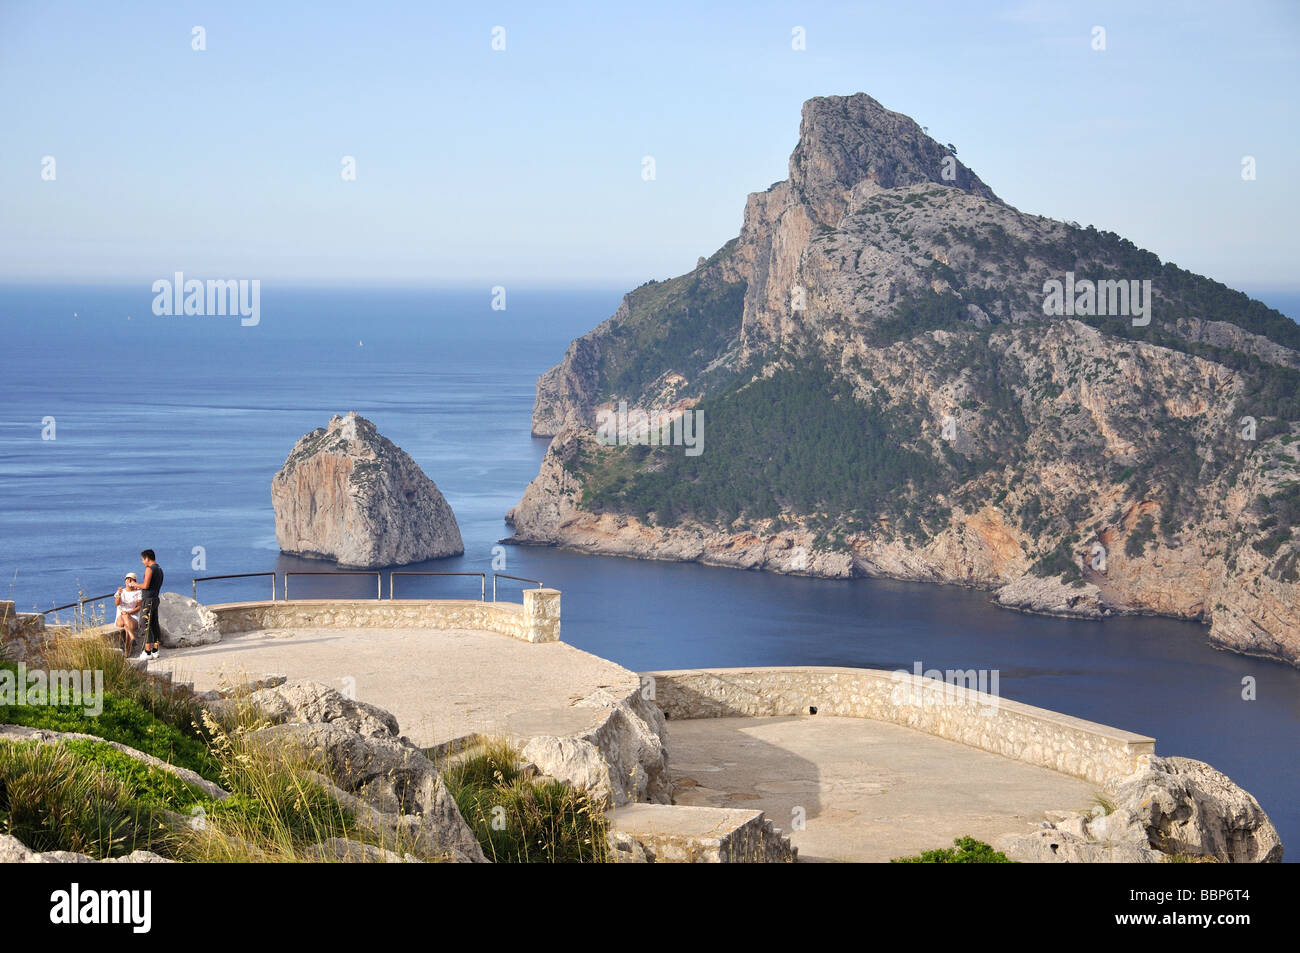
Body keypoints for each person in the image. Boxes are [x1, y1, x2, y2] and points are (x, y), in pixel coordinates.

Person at [127, 549, 164, 659]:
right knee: (154, 624)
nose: (143, 562)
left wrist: (135, 584)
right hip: (155, 598)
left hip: (148, 600)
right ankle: (155, 650)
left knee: (145, 624)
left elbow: (145, 585)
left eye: (143, 559)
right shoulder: (159, 569)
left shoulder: (149, 569)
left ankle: (147, 651)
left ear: (147, 558)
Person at [114, 571, 142, 656]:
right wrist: (119, 594)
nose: (128, 582)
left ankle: (127, 651)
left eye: (131, 580)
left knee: (127, 626)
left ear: (134, 582)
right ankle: (131, 639)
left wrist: (128, 612)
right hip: (120, 617)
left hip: (133, 616)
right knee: (125, 618)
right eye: (127, 580)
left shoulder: (138, 592)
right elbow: (117, 603)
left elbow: (139, 607)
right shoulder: (121, 591)